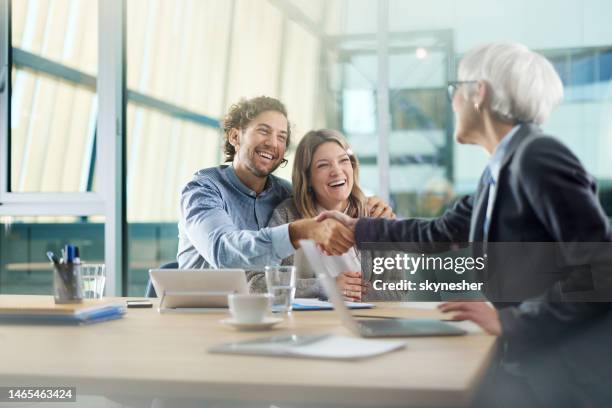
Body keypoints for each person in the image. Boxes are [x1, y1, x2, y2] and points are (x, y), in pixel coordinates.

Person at [318, 43, 612, 407]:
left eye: (455, 89)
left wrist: (513, 321)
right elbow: (438, 232)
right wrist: (356, 228)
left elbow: (602, 268)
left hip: (568, 374)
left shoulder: (538, 156)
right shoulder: (499, 169)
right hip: (534, 362)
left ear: (479, 93)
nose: (452, 101)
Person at [177, 96, 390, 273]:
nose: (273, 143)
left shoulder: (285, 195)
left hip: (264, 313)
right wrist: (297, 232)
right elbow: (223, 253)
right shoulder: (203, 190)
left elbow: (330, 197)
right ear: (235, 136)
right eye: (263, 131)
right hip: (201, 311)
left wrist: (370, 204)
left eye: (282, 136)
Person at [253, 129, 397, 300]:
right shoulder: (286, 215)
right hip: (308, 324)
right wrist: (326, 287)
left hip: (362, 322)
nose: (337, 171)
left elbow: (396, 291)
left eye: (343, 161)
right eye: (323, 165)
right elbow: (258, 284)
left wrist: (355, 292)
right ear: (307, 178)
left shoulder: (374, 214)